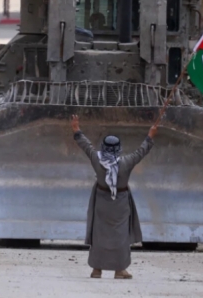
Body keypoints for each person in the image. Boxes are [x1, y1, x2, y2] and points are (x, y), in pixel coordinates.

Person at [70, 114, 157, 280]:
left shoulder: (97, 159)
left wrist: (76, 129)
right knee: (121, 236)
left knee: (99, 234)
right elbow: (141, 151)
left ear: (103, 147)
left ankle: (97, 269)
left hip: (101, 202)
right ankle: (119, 270)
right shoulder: (127, 162)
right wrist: (150, 135)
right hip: (121, 203)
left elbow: (86, 145)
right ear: (119, 148)